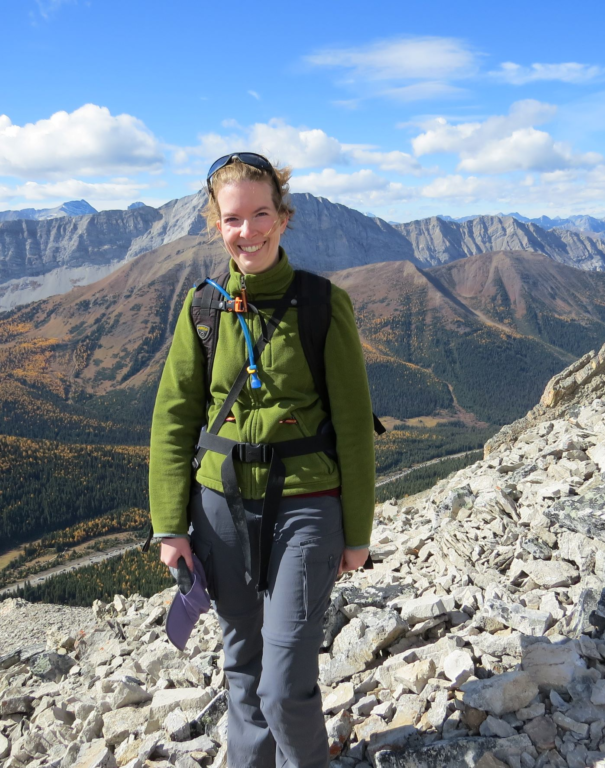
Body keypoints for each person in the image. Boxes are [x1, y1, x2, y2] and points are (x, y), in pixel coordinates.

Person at [147, 152, 377, 767]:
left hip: (308, 505)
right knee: (241, 669)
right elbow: (174, 417)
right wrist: (170, 526)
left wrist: (358, 533)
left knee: (280, 687)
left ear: (283, 217)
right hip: (219, 506)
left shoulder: (323, 304)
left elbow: (354, 426)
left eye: (260, 214)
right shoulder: (202, 307)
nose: (246, 231)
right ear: (215, 224)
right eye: (232, 219)